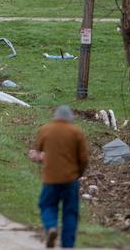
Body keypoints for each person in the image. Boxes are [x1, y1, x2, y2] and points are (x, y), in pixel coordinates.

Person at [28, 105, 89, 248]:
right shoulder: (76, 132)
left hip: (50, 178)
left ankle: (51, 227)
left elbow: (39, 151)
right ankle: (68, 245)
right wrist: (78, 173)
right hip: (70, 179)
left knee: (47, 204)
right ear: (70, 118)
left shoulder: (46, 129)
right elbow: (84, 158)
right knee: (70, 212)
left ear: (55, 117)